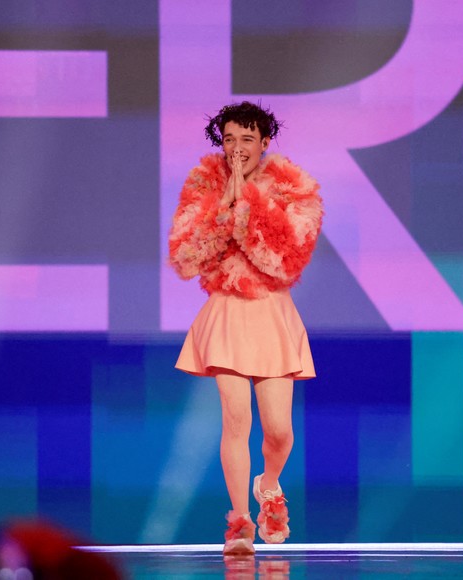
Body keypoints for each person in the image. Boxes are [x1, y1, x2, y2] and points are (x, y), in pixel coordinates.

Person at [168, 101, 323, 555]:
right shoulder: (204, 184)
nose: (237, 150)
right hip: (228, 310)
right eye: (229, 139)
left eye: (247, 140)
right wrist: (223, 205)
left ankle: (268, 485)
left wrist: (246, 205)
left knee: (278, 431)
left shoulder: (294, 189)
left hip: (271, 312)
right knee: (236, 419)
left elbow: (284, 261)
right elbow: (186, 256)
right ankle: (239, 521)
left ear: (265, 142)